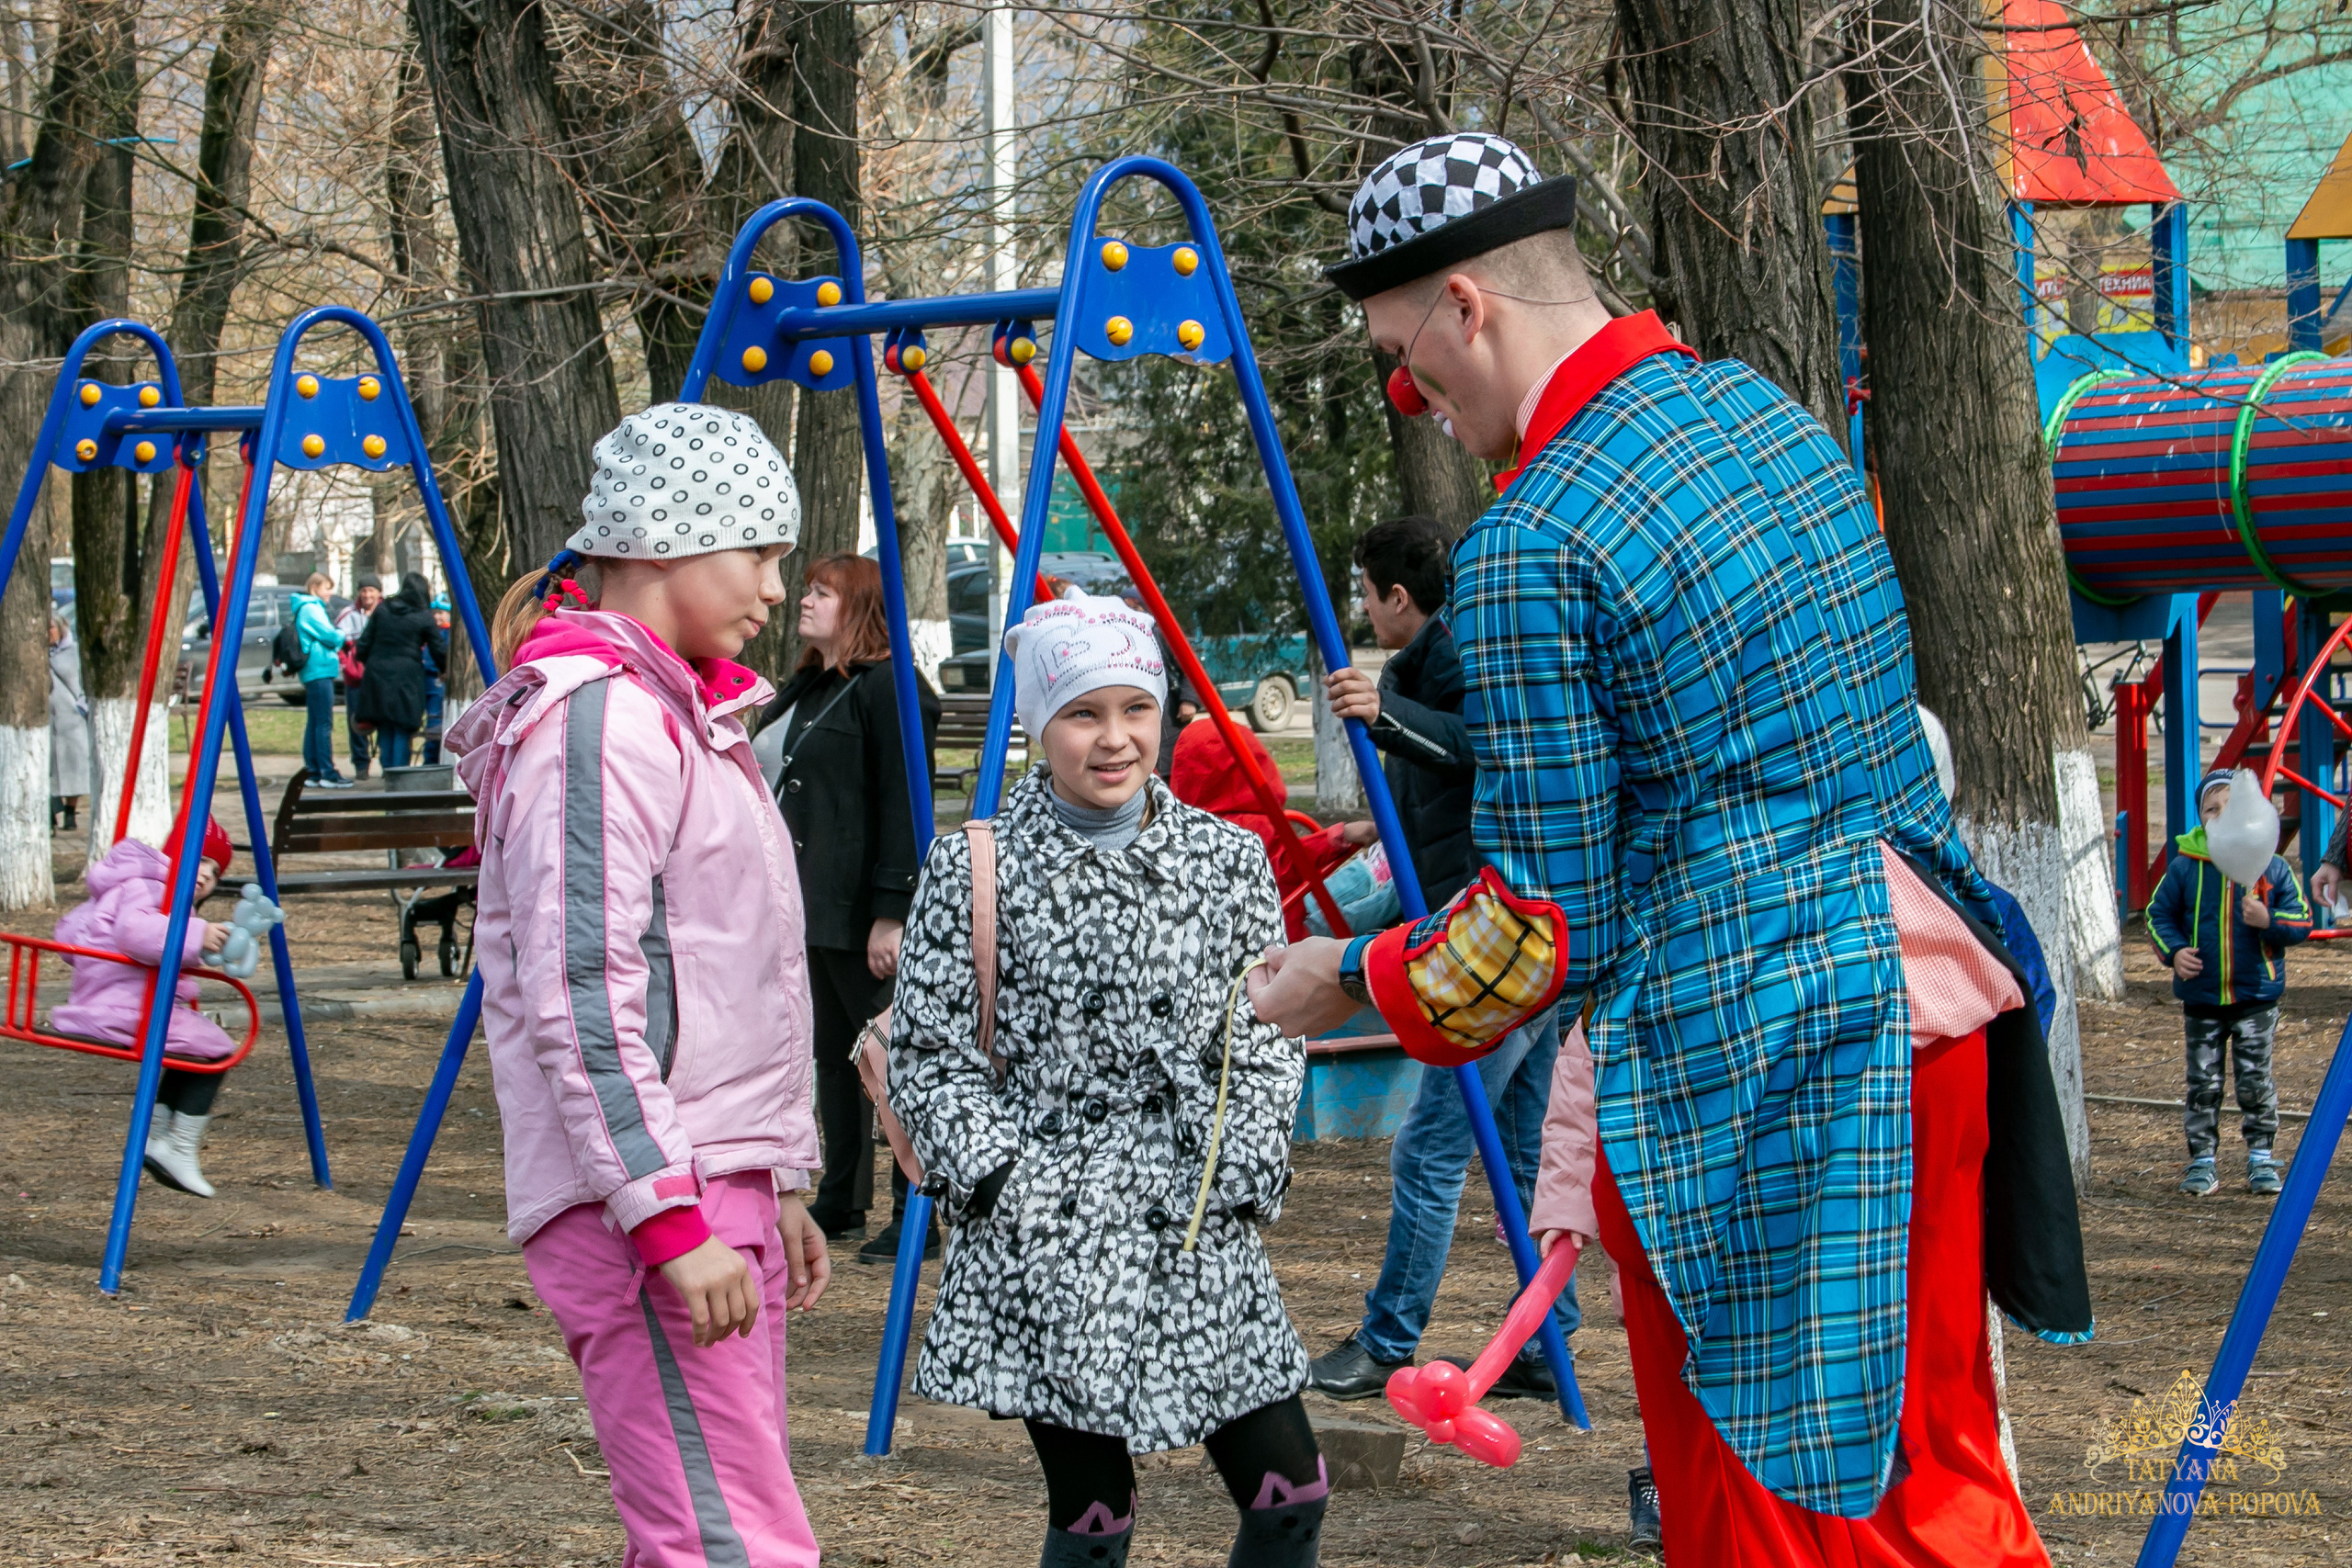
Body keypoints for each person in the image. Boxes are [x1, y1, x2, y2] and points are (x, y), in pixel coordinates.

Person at [1250, 133, 2088, 1563]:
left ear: (1469, 305)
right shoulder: (1772, 423)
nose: (1417, 401)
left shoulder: (1536, 540)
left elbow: (1534, 928)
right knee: (1936, 1478)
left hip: (1756, 1071)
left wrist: (1354, 974)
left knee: (1782, 1507)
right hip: (1936, 1016)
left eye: (1406, 360)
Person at [454, 402, 828, 1568]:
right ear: (669, 543)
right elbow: (583, 992)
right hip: (654, 1204)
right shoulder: (604, 724)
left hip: (710, 1185)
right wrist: (667, 1217)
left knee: (713, 1532)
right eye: (759, 554)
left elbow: (718, 979)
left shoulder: (681, 716)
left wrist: (777, 1183)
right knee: (735, 1550)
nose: (776, 588)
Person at [889, 593, 1328, 1568]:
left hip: (1193, 1214)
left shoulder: (1226, 859)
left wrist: (1242, 1164)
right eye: (1084, 713)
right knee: (1097, 1514)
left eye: (1137, 708)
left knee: (1289, 1491)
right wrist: (1006, 1184)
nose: (1116, 738)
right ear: (1041, 723)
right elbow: (931, 1053)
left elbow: (1266, 1029)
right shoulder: (972, 870)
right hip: (1050, 1233)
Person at [1304, 513, 1581, 1422]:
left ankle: (1389, 1337)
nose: (1360, 607)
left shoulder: (1461, 660)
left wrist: (1384, 717)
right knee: (1521, 1148)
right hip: (1517, 932)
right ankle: (1550, 1332)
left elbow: (1476, 752)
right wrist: (1365, 828)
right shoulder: (1424, 663)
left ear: (1396, 596)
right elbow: (1444, 795)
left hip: (1498, 940)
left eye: (1364, 592)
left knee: (1430, 1144)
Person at [750, 553, 941, 1265]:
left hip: (864, 908)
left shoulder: (891, 687)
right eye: (806, 590)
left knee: (892, 1057)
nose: (803, 600)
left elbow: (904, 801)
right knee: (832, 1056)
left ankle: (916, 1205)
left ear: (859, 606)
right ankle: (842, 1196)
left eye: (822, 592)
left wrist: (893, 909)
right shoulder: (812, 685)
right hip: (808, 904)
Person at [2146, 769, 2310, 1197]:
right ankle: (2202, 1160)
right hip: (2202, 997)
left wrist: (2269, 920)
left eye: (2229, 807)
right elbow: (2156, 914)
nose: (2220, 815)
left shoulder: (2271, 867)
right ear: (2200, 818)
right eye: (2210, 809)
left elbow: (2302, 919)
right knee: (2203, 1081)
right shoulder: (2185, 867)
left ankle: (2261, 1157)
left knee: (2255, 1080)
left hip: (2256, 995)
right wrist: (2175, 951)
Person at [53, 819, 240, 1197]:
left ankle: (158, 1140)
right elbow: (135, 934)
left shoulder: (139, 884)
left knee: (195, 1046)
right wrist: (196, 933)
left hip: (112, 1000)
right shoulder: (150, 886)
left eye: (216, 870)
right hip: (124, 1006)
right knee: (216, 1047)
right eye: (200, 860)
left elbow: (73, 931)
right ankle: (180, 1148)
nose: (206, 873)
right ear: (173, 855)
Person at [1167, 721, 1351, 940]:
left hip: (1229, 938)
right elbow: (1289, 863)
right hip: (1279, 938)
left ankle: (1375, 871)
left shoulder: (1180, 827)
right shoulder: (1249, 828)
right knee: (1369, 909)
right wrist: (1341, 835)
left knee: (1335, 896)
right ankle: (1379, 876)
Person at [354, 571, 447, 769]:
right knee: (403, 729)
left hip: (377, 675)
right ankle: (399, 777)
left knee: (385, 727)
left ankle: (388, 774)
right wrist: (445, 670)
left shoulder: (383, 609)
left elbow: (363, 645)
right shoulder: (423, 616)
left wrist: (370, 662)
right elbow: (438, 648)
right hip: (407, 677)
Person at [291, 574, 352, 789]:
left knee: (315, 722)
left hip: (315, 670)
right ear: (316, 587)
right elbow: (329, 635)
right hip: (319, 669)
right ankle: (327, 771)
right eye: (327, 588)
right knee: (324, 723)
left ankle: (314, 770)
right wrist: (341, 635)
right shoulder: (311, 609)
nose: (330, 593)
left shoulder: (307, 607)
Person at [48, 612, 93, 830]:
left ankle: (69, 813)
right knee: (50, 770)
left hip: (71, 720)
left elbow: (84, 682)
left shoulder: (73, 652)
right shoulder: (38, 653)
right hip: (48, 722)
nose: (47, 634)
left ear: (60, 629)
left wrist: (82, 706)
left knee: (74, 767)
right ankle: (49, 815)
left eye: (50, 628)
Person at [336, 576, 381, 779]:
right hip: (355, 679)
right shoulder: (348, 614)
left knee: (383, 720)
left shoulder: (386, 611)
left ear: (379, 592)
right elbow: (337, 642)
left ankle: (386, 763)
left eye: (371, 590)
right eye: (363, 590)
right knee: (356, 721)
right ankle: (361, 765)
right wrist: (346, 663)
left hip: (379, 678)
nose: (367, 595)